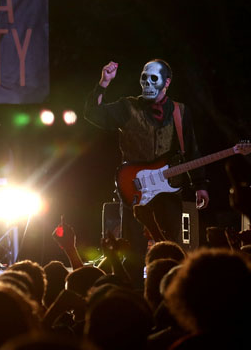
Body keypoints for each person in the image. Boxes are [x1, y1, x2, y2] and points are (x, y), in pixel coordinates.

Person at [84, 59, 209, 288]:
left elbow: (191, 149)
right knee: (133, 252)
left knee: (171, 249)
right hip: (134, 188)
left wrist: (200, 184)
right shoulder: (127, 107)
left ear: (166, 83)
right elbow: (94, 113)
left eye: (153, 79)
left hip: (167, 190)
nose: (147, 83)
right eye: (144, 78)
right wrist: (103, 83)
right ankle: (133, 294)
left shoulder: (180, 111)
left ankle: (169, 293)